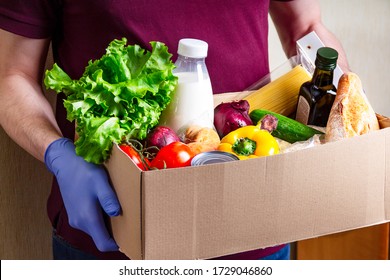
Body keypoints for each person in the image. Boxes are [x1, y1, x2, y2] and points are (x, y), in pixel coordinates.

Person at [0, 0, 349, 260]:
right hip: (111, 223)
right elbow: (12, 75)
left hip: (250, 221)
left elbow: (304, 26)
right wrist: (57, 153)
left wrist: (341, 101)